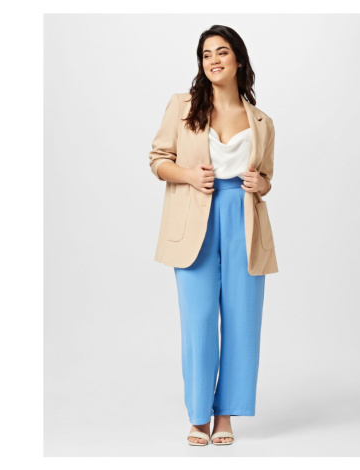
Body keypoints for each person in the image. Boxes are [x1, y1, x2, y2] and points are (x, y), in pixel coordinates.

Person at [148, 25, 278, 446]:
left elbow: (267, 178)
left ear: (238, 59)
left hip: (244, 221)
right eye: (206, 55)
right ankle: (198, 415)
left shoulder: (262, 121)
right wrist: (188, 175)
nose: (213, 60)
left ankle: (225, 416)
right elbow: (158, 159)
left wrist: (261, 184)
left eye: (222, 52)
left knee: (242, 320)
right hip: (195, 221)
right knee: (199, 320)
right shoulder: (183, 106)